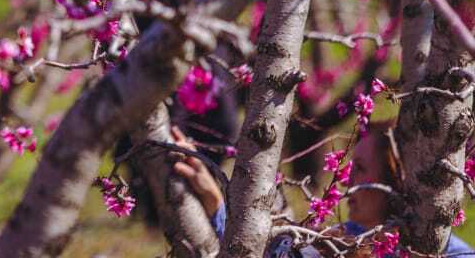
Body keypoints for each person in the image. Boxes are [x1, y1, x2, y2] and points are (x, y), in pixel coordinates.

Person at [171, 123, 475, 256]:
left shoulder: (454, 255)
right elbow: (264, 252)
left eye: (361, 169)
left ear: (395, 183)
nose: (346, 182)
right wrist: (214, 200)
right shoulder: (345, 239)